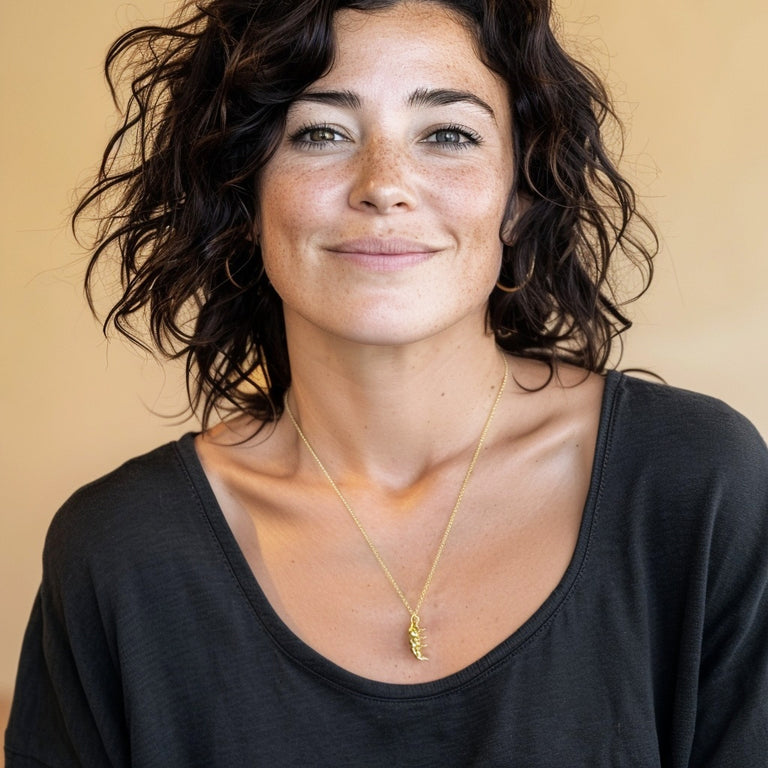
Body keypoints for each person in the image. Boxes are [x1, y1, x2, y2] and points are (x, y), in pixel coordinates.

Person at [5, 0, 768, 765]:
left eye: (448, 134)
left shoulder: (694, 485)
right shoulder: (119, 552)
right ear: (244, 195)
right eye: (321, 133)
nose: (384, 185)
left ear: (520, 193)